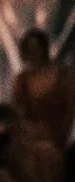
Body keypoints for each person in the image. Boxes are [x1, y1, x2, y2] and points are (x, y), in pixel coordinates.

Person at [12, 28, 75, 156]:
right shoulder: (22, 80)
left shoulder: (63, 76)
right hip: (29, 142)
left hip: (56, 141)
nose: (33, 53)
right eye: (29, 49)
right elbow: (16, 111)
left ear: (43, 49)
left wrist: (61, 138)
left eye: (36, 48)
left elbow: (70, 109)